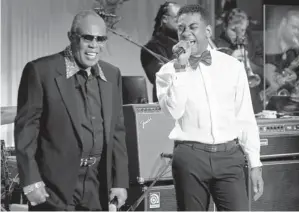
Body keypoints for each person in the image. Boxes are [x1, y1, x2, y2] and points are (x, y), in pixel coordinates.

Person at [14, 10, 129, 211]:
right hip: (54, 187)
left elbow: (117, 132)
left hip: (97, 184)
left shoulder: (112, 74)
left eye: (100, 39)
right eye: (88, 38)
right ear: (71, 37)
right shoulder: (41, 71)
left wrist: (119, 181)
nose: (94, 45)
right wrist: (31, 180)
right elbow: (26, 132)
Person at [156, 4, 264, 211]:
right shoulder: (167, 71)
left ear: (207, 31)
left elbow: (245, 117)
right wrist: (181, 68)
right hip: (190, 156)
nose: (186, 33)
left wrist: (255, 163)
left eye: (192, 27)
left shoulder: (232, 66)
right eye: (181, 28)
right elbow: (173, 111)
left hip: (229, 155)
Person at [215, 8, 264, 114]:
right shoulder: (216, 46)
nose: (238, 35)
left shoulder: (253, 44)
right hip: (229, 103)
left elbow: (262, 68)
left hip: (251, 100)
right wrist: (231, 60)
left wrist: (248, 64)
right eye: (233, 30)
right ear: (224, 27)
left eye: (242, 30)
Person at [140, 1, 180, 102]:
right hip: (167, 107)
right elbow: (162, 78)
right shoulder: (150, 48)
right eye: (177, 18)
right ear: (165, 19)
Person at [264, 8, 299, 104]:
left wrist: (295, 75)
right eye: (294, 27)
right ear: (284, 23)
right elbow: (261, 66)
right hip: (266, 97)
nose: (297, 32)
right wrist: (274, 76)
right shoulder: (267, 39)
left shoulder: (295, 48)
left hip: (287, 100)